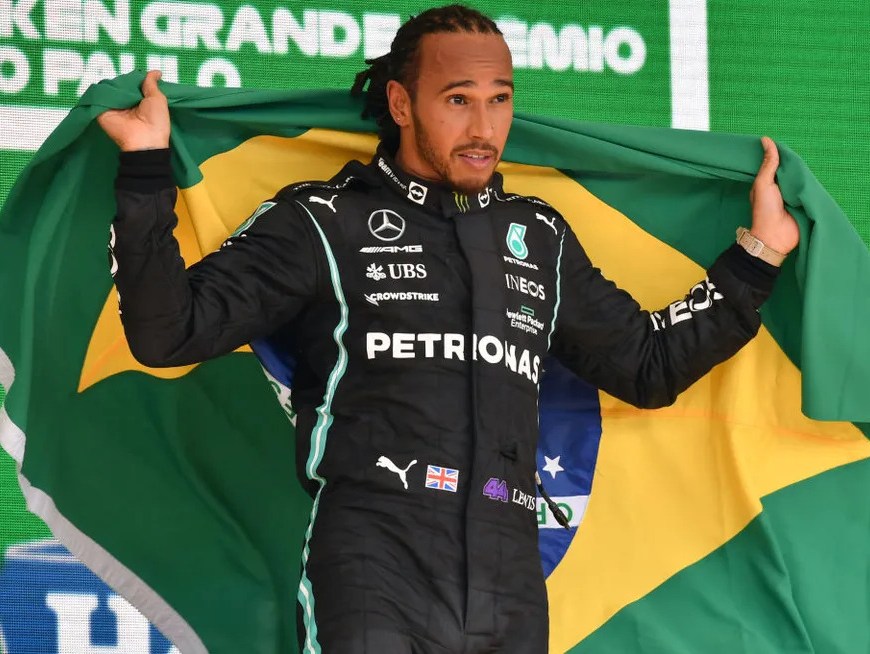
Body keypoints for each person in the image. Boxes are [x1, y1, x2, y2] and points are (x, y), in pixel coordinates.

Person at [97, 4, 798, 653]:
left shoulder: (538, 236)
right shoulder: (324, 220)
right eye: (459, 100)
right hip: (373, 562)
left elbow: (647, 367)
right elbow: (170, 331)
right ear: (402, 104)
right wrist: (146, 168)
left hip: (511, 576)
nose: (484, 128)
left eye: (500, 99)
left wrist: (758, 256)